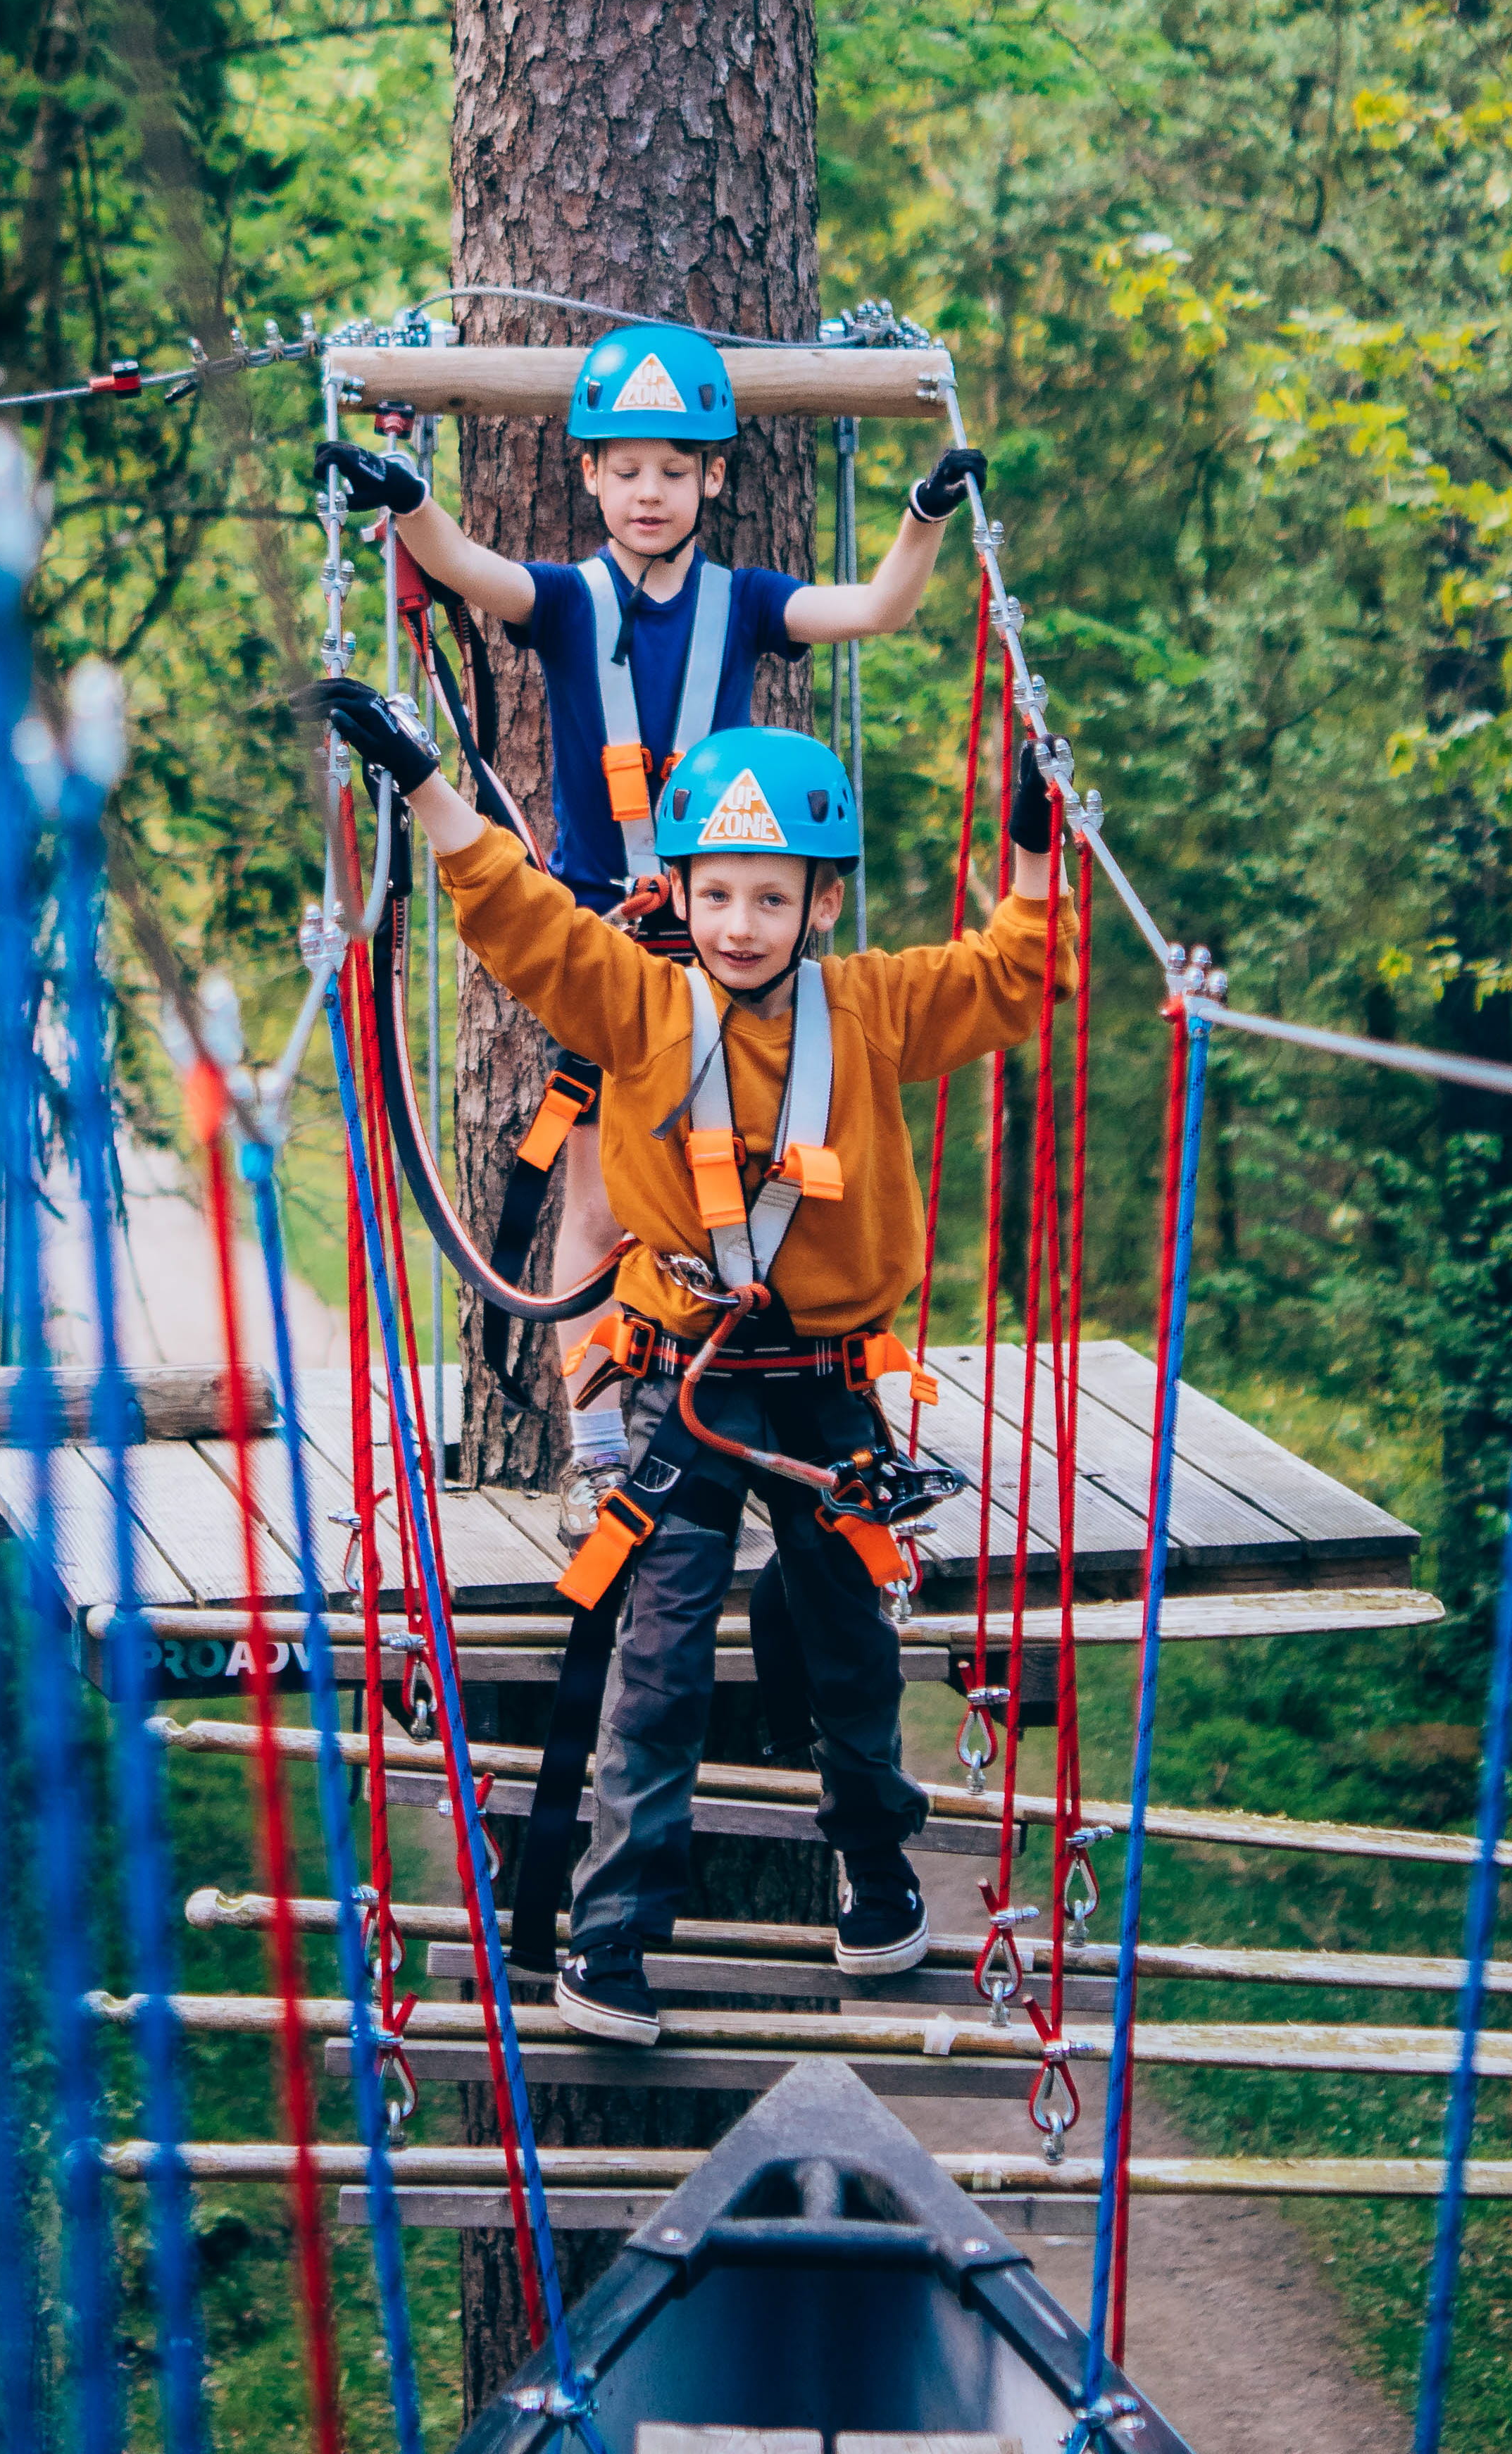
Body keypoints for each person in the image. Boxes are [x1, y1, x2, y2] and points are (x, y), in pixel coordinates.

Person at [306, 683, 1076, 2047]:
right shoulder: (639, 1001)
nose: (737, 924)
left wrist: (1028, 849)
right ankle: (608, 1935)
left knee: (848, 1637)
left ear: (817, 905)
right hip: (687, 1388)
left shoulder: (878, 1009)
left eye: (769, 899)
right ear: (679, 890)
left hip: (833, 1388)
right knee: (654, 1659)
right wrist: (426, 782)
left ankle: (875, 1866)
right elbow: (517, 916)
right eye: (714, 894)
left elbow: (1010, 976)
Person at [315, 323, 989, 1551]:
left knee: (763, 1163)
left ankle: (778, 1404)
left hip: (736, 934)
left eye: (674, 471)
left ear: (713, 481)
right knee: (602, 1193)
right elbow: (470, 570)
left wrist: (925, 514)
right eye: (625, 468)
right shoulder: (570, 600)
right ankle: (599, 1453)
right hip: (612, 944)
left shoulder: (750, 604)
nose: (647, 491)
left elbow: (883, 606)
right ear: (589, 476)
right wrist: (410, 498)